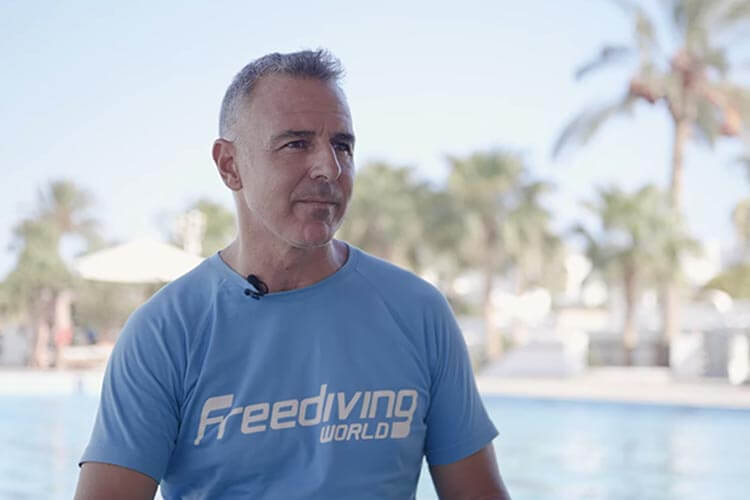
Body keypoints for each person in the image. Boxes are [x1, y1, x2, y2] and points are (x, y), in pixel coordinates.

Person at [75, 49, 512, 500]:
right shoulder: (166, 331)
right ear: (229, 165)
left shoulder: (417, 312)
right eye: (297, 144)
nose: (329, 168)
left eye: (342, 146)